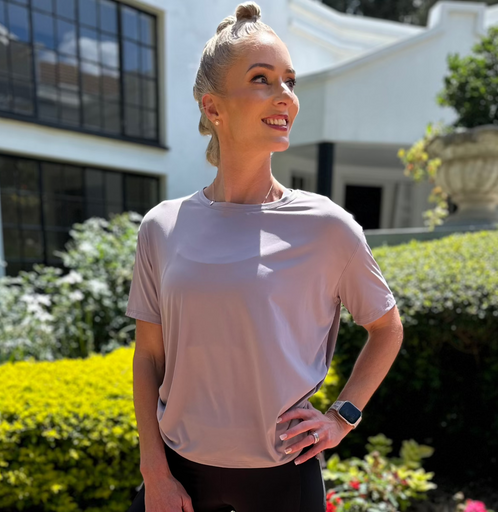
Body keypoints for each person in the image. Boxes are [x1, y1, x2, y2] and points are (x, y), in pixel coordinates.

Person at [125, 2, 404, 511]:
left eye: (289, 81)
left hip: (285, 478)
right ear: (213, 107)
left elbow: (387, 328)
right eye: (262, 79)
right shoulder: (161, 226)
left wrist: (342, 417)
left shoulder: (327, 226)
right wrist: (154, 473)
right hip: (178, 477)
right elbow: (148, 357)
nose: (285, 96)